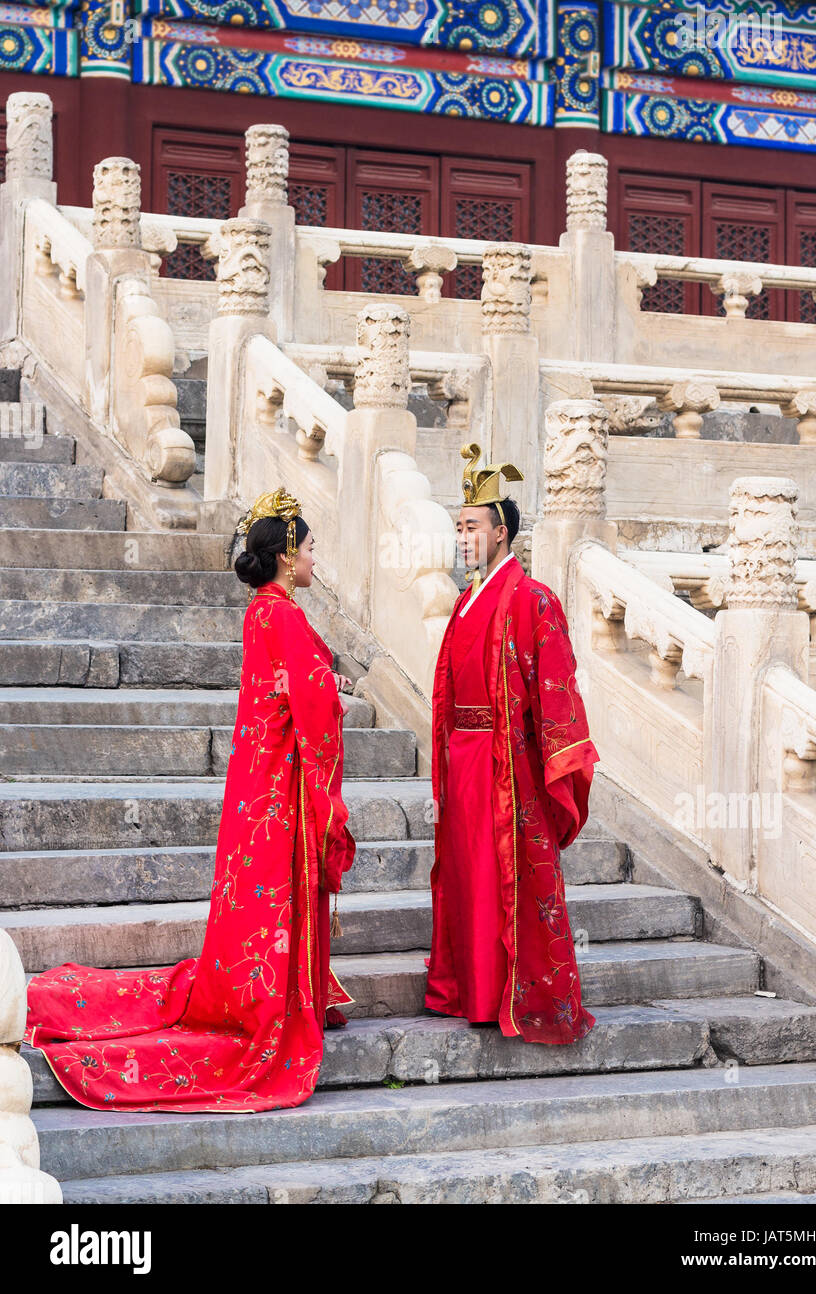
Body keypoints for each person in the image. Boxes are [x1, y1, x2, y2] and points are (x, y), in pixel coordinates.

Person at [25, 487, 356, 1112]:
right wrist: (330, 694)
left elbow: (287, 684)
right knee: (275, 889)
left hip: (258, 778)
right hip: (279, 786)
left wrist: (319, 681)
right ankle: (271, 1003)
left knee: (257, 894)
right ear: (287, 556)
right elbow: (308, 699)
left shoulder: (263, 610)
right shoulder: (282, 614)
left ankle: (267, 989)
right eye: (311, 548)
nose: (317, 558)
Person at [424, 443, 600, 1045]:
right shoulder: (465, 601)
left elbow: (557, 688)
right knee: (466, 876)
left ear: (502, 533)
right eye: (459, 527)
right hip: (464, 757)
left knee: (501, 877)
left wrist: (554, 763)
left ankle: (508, 995)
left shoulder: (533, 599)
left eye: (472, 527)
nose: (463, 537)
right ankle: (466, 991)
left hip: (507, 765)